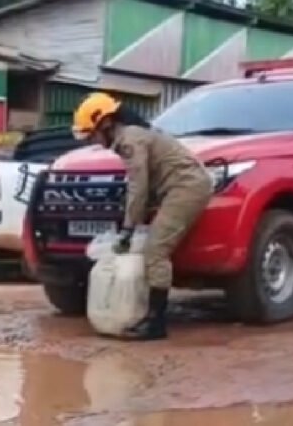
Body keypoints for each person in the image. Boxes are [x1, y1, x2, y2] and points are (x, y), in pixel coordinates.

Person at [72, 92, 213, 341]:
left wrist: (127, 230)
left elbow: (138, 187)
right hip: (177, 186)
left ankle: (156, 323)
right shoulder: (132, 135)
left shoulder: (130, 140)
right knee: (152, 246)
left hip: (186, 188)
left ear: (105, 123)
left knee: (155, 250)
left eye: (91, 134)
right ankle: (148, 314)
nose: (90, 140)